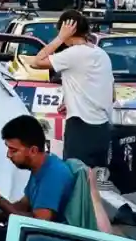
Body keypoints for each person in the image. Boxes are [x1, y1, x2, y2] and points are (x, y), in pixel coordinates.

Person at [28, 10, 113, 173]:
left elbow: (36, 62)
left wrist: (60, 38)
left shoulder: (73, 53)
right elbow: (110, 92)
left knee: (75, 178)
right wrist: (72, 101)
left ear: (68, 30)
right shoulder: (101, 54)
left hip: (81, 126)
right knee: (93, 182)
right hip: (102, 126)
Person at [0, 115, 76, 241]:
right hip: (36, 236)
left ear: (33, 150)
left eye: (14, 150)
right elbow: (23, 205)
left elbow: (38, 225)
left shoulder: (54, 174)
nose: (8, 155)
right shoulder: (41, 166)